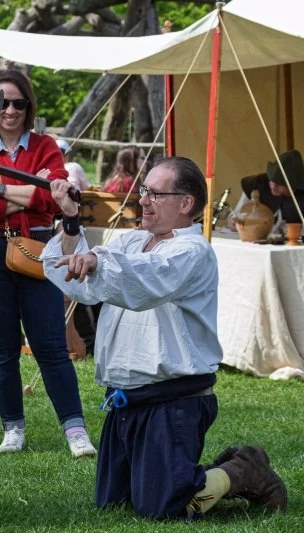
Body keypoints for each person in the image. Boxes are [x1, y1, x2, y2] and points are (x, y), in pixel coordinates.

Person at [43, 156, 288, 519]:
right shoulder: (132, 243)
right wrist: (71, 221)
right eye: (144, 191)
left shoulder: (192, 252)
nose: (143, 200)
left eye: (155, 194)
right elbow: (83, 284)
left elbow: (145, 279)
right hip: (128, 400)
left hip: (174, 399)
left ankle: (243, 470)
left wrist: (98, 262)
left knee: (163, 506)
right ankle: (180, 473)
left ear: (185, 203)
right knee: (114, 503)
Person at [0, 69, 96, 457]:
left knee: (51, 346)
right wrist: (29, 188)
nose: (11, 110)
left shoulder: (46, 146)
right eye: (3, 102)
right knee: (2, 348)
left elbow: (56, 199)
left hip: (38, 250)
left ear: (28, 106)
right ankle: (13, 429)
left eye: (19, 102)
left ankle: (75, 430)